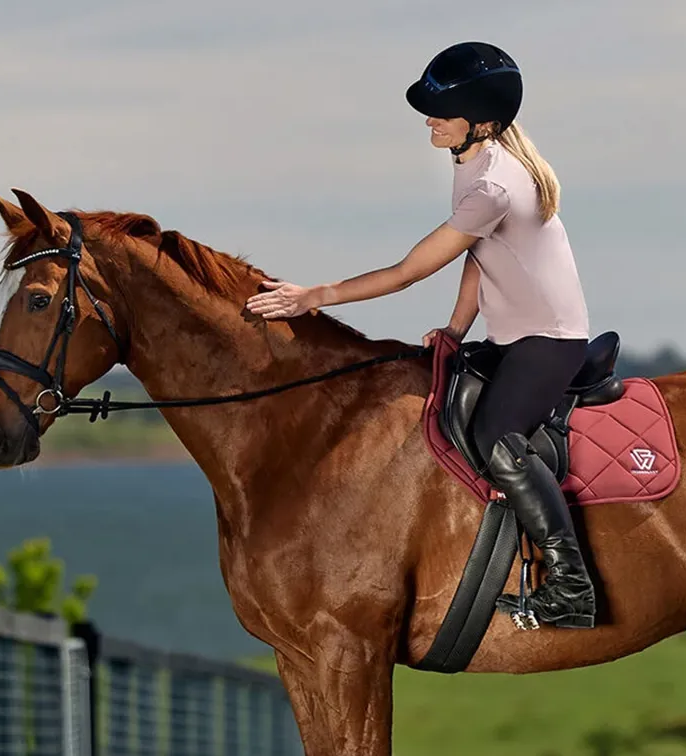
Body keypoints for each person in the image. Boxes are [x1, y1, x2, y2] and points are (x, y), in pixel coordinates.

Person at [245, 42, 595, 629]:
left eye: (440, 111)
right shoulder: (474, 166)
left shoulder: (494, 186)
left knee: (498, 437)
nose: (428, 119)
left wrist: (315, 297)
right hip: (512, 334)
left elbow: (410, 271)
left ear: (480, 122)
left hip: (548, 340)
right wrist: (457, 328)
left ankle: (570, 585)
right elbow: (479, 256)